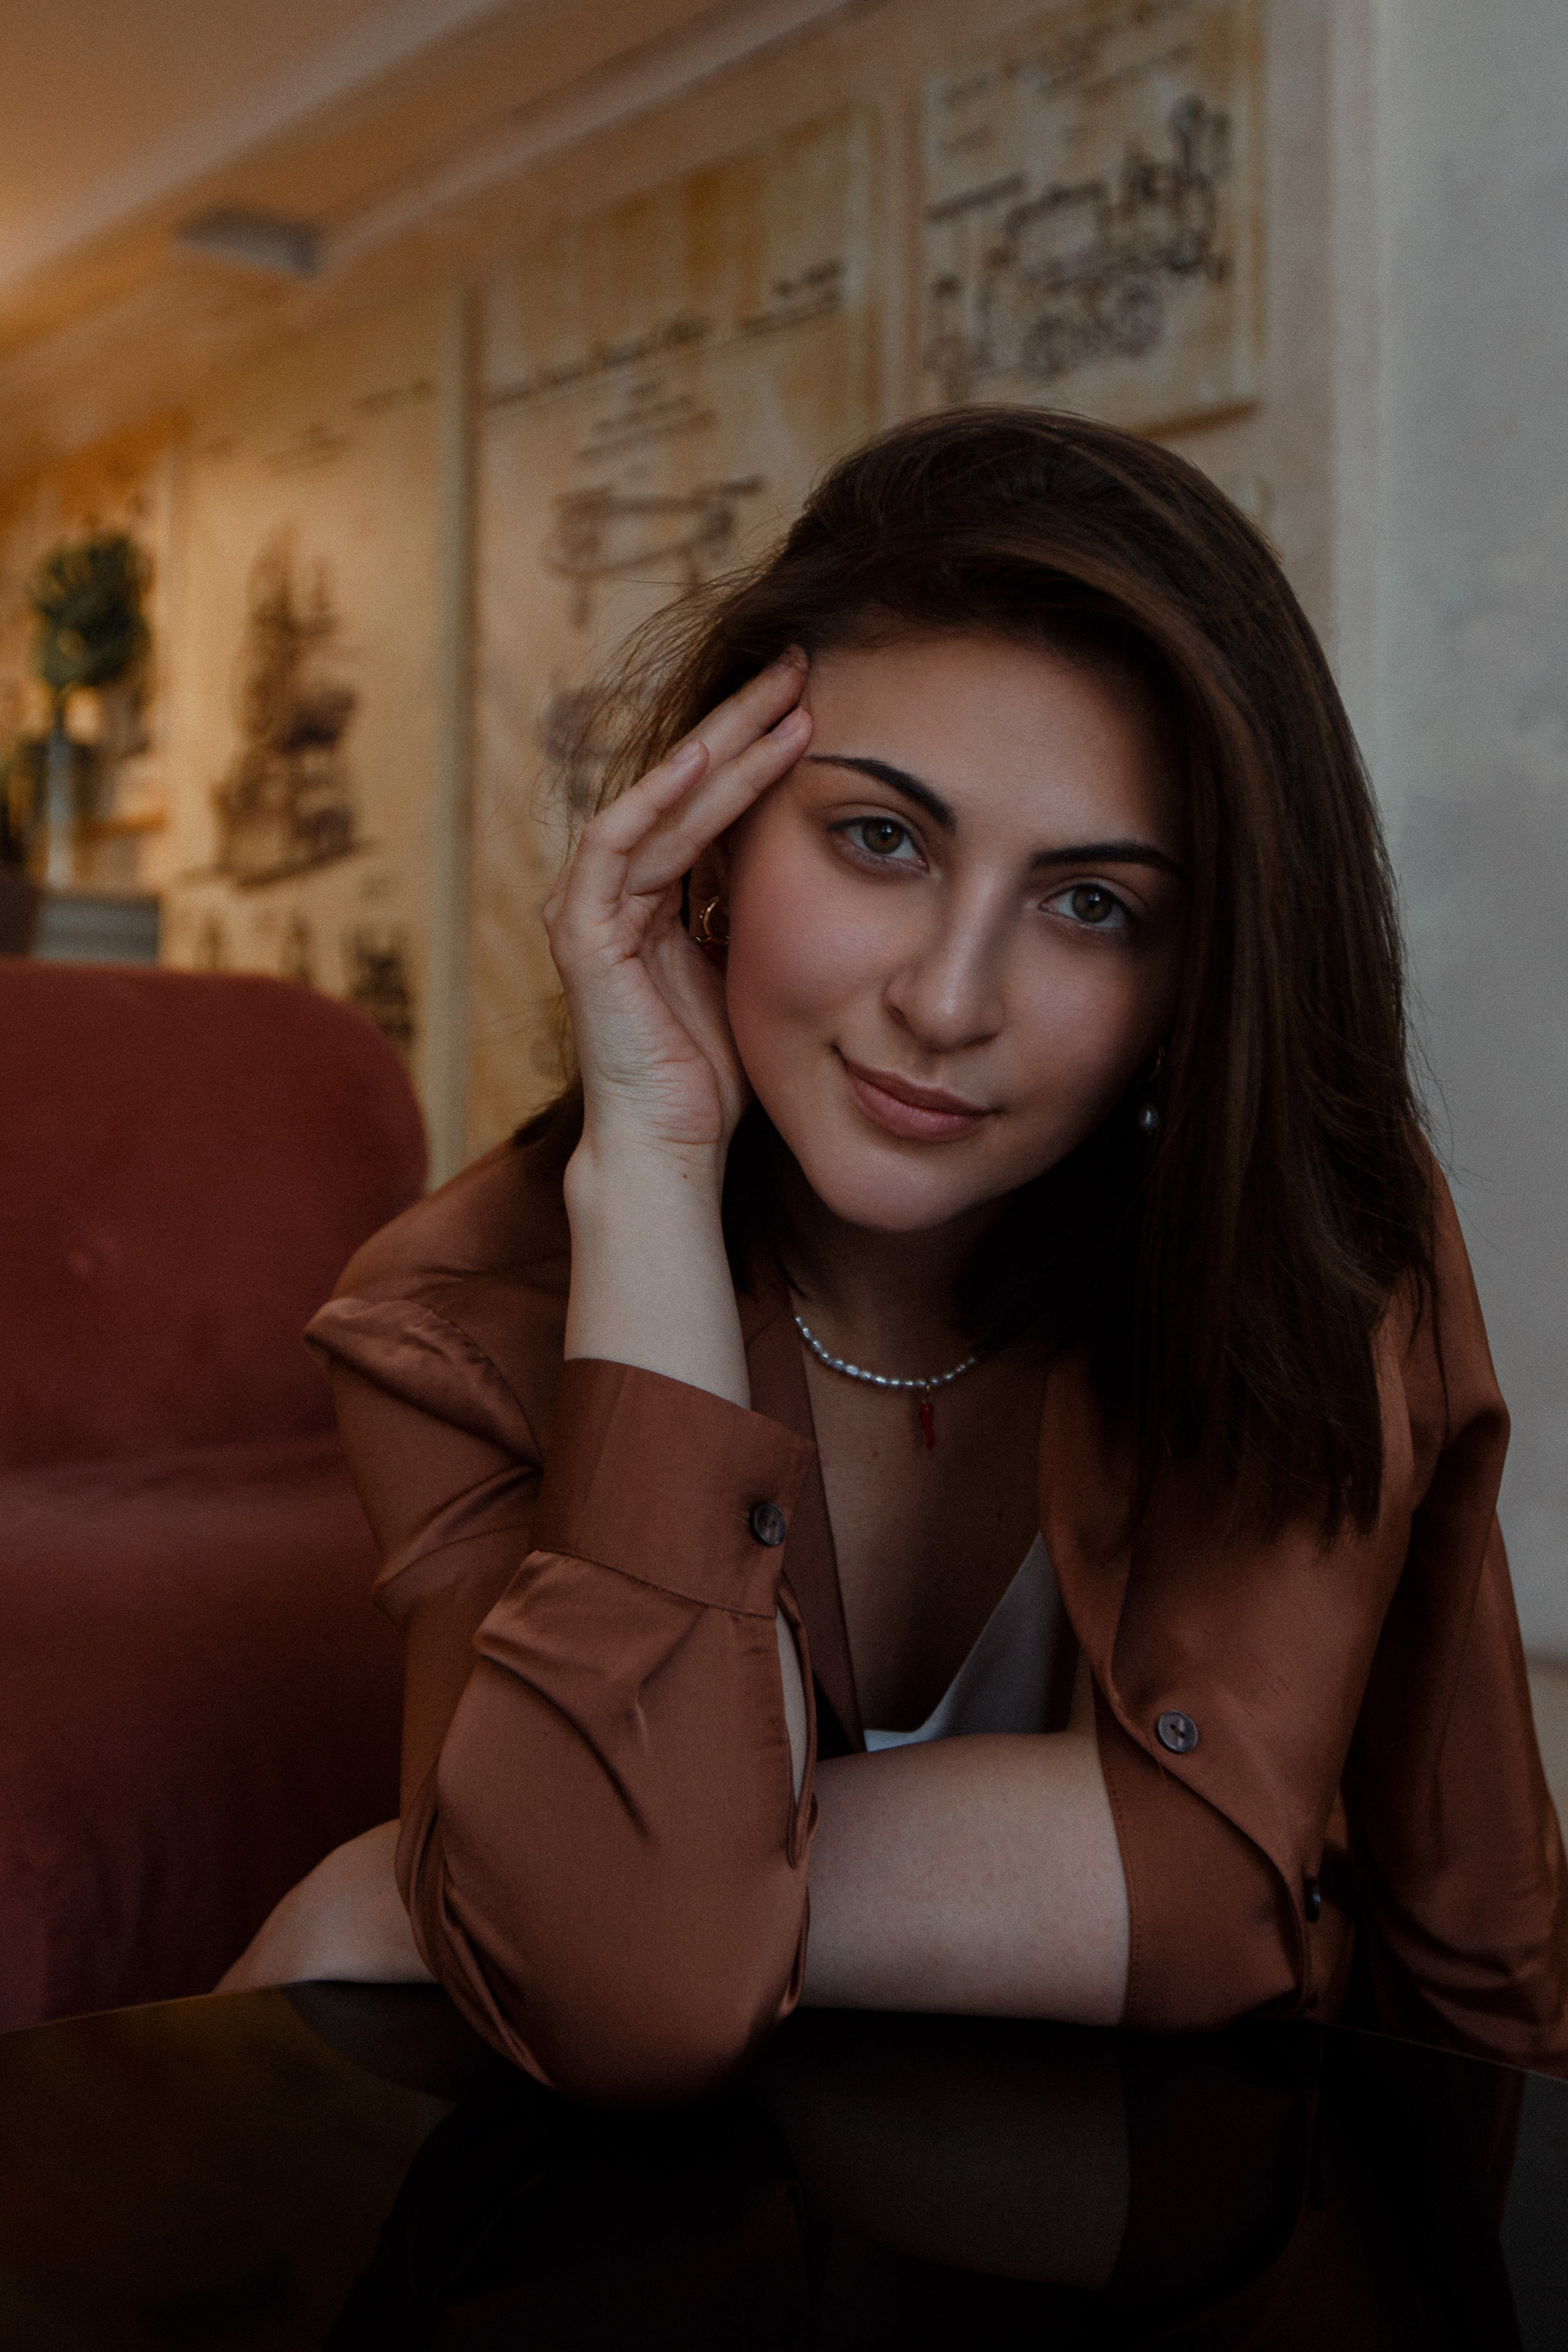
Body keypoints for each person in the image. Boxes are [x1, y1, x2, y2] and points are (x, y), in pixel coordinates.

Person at [220, 409, 1568, 2102]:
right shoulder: (466, 1315)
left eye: (1094, 904)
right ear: (710, 850)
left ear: (1193, 980)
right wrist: (648, 1175)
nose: (947, 1002)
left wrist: (436, 1890)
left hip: (1219, 2226)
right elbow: (631, 1994)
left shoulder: (1315, 1237)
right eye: (881, 839)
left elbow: (1288, 1895)